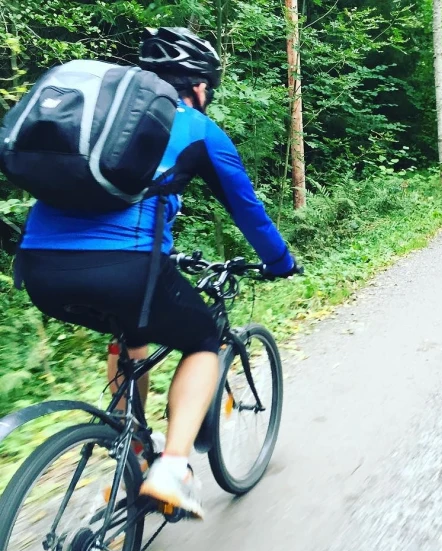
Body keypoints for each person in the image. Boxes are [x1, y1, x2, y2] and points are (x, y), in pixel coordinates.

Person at [15, 27, 299, 519]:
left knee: (131, 334)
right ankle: (172, 468)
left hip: (39, 268)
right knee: (204, 340)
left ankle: (128, 453)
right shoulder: (195, 126)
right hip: (126, 269)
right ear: (198, 85)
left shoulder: (100, 119)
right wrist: (280, 262)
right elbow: (247, 210)